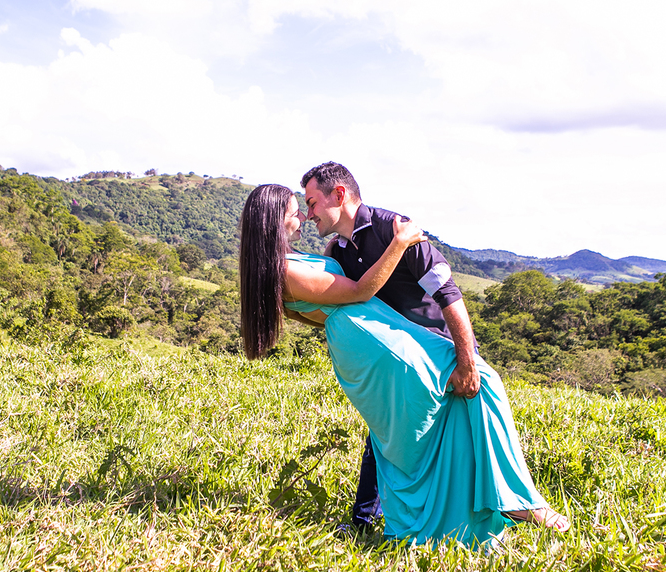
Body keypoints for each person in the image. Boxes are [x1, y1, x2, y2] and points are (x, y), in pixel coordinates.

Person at [238, 183, 568, 548]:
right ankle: (514, 501)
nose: (304, 214)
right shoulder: (286, 270)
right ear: (274, 219)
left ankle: (478, 504)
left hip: (373, 332)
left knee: (415, 423)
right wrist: (399, 243)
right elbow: (358, 292)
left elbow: (324, 299)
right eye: (295, 210)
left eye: (308, 205)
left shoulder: (289, 262)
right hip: (373, 338)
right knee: (478, 384)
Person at [298, 162, 480, 532]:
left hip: (439, 352)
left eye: (313, 203)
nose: (309, 213)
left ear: (339, 195)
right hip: (398, 360)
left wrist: (467, 361)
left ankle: (475, 518)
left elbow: (448, 293)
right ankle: (370, 520)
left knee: (458, 441)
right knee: (385, 432)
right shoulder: (339, 252)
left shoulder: (395, 229)